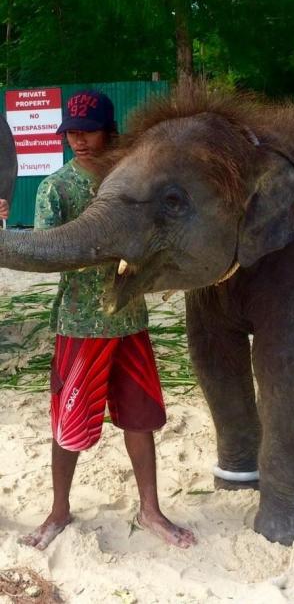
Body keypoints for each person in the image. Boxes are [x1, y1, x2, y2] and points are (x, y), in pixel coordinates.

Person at [19, 90, 196, 551]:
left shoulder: (133, 183)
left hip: (130, 319)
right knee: (69, 424)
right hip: (80, 325)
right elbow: (46, 252)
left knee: (139, 420)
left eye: (88, 130)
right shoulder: (55, 188)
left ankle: (150, 509)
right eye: (72, 132)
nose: (79, 140)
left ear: (109, 131)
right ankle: (59, 511)